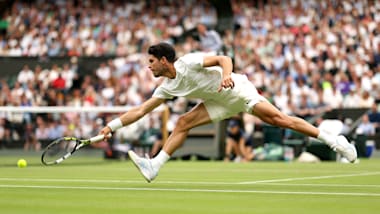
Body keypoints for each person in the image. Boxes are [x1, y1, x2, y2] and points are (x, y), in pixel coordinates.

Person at [99, 42, 357, 182]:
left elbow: (224, 59)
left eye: (152, 62)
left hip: (236, 89)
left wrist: (225, 77)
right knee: (183, 122)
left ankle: (335, 142)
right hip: (217, 101)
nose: (149, 66)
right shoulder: (168, 86)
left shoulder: (189, 62)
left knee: (280, 120)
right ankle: (154, 165)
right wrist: (112, 126)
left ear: (164, 61)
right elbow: (142, 109)